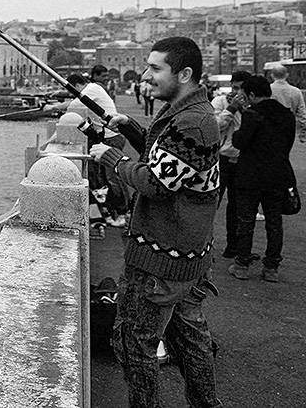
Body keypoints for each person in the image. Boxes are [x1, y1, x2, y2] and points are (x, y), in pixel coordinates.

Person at [89, 36, 221, 408]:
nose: (146, 76)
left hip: (163, 258)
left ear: (185, 73)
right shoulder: (187, 113)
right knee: (188, 339)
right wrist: (130, 128)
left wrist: (112, 158)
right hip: (187, 254)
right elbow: (167, 157)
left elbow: (156, 182)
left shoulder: (193, 122)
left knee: (133, 343)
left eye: (155, 68)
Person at [228, 75, 295, 283]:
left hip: (250, 176)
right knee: (274, 222)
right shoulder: (287, 115)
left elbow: (239, 142)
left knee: (246, 221)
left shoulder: (252, 115)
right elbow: (288, 144)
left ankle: (242, 265)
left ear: (252, 95)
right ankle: (272, 267)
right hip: (278, 176)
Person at [47, 68, 128, 222]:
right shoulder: (93, 89)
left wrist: (52, 107)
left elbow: (74, 105)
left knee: (113, 177)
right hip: (107, 137)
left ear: (76, 85)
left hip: (112, 138)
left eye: (71, 91)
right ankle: (115, 211)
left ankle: (124, 213)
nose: (71, 94)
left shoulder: (92, 89)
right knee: (105, 178)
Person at [211, 70, 252, 258]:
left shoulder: (253, 107)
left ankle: (233, 246)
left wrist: (246, 111)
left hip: (243, 161)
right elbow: (215, 127)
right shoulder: (220, 102)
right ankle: (204, 244)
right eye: (235, 88)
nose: (238, 93)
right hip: (222, 159)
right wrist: (232, 108)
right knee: (212, 202)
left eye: (242, 90)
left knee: (236, 205)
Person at [267, 64, 306, 143]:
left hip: (270, 126)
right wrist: (303, 130)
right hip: (289, 127)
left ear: (272, 75)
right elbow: (302, 112)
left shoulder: (267, 90)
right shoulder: (296, 91)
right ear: (286, 75)